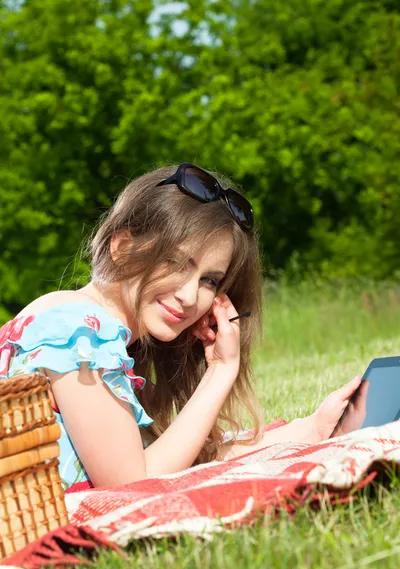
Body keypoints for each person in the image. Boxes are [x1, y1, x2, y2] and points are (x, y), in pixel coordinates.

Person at [0, 163, 361, 490]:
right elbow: (132, 484)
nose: (190, 296)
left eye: (209, 280)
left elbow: (173, 459)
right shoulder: (78, 331)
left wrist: (312, 429)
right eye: (175, 262)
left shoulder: (76, 321)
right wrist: (221, 371)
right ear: (123, 247)